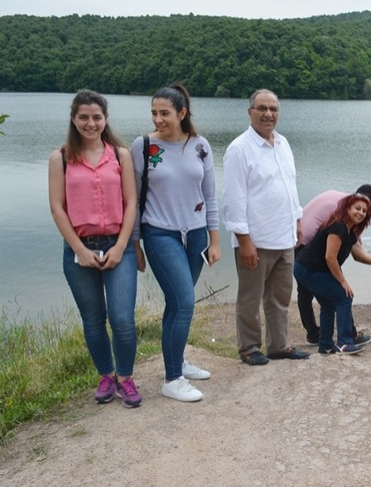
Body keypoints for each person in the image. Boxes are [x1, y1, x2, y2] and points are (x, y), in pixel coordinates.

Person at [49, 90, 142, 408]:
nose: (91, 123)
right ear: (74, 119)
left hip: (118, 246)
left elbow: (131, 204)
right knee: (92, 319)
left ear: (105, 120)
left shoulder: (120, 155)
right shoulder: (60, 157)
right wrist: (80, 249)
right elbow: (57, 208)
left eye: (97, 117)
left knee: (122, 319)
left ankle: (126, 378)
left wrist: (120, 246)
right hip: (78, 250)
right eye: (84, 117)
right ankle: (107, 375)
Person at [131, 83, 221, 402]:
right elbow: (134, 199)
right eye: (154, 113)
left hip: (195, 234)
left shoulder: (200, 146)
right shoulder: (143, 147)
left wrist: (214, 239)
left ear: (182, 113)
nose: (158, 119)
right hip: (160, 233)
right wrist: (137, 244)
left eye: (165, 113)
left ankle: (177, 360)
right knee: (184, 302)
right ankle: (172, 379)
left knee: (177, 303)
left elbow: (209, 195)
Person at [222, 89, 310, 366]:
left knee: (280, 297)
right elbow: (233, 200)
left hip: (284, 236)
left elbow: (290, 186)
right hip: (256, 239)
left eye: (273, 109)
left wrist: (297, 220)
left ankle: (279, 345)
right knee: (250, 298)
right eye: (261, 108)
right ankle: (249, 348)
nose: (268, 114)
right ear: (250, 112)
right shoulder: (239, 149)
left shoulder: (283, 144)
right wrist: (244, 240)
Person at [295, 194, 371, 354]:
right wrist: (343, 282)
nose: (361, 213)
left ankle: (326, 346)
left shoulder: (350, 231)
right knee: (344, 296)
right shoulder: (339, 227)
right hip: (308, 269)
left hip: (307, 269)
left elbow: (359, 255)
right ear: (347, 208)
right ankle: (345, 342)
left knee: (328, 304)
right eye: (357, 208)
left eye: (364, 211)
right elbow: (330, 257)